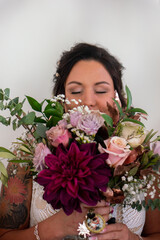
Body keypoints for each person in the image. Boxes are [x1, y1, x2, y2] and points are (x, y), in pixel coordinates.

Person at [0, 43, 160, 240]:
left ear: (118, 98)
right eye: (76, 92)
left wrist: (132, 238)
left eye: (101, 90)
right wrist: (53, 227)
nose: (88, 101)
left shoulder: (143, 161)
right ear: (61, 100)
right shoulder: (29, 156)